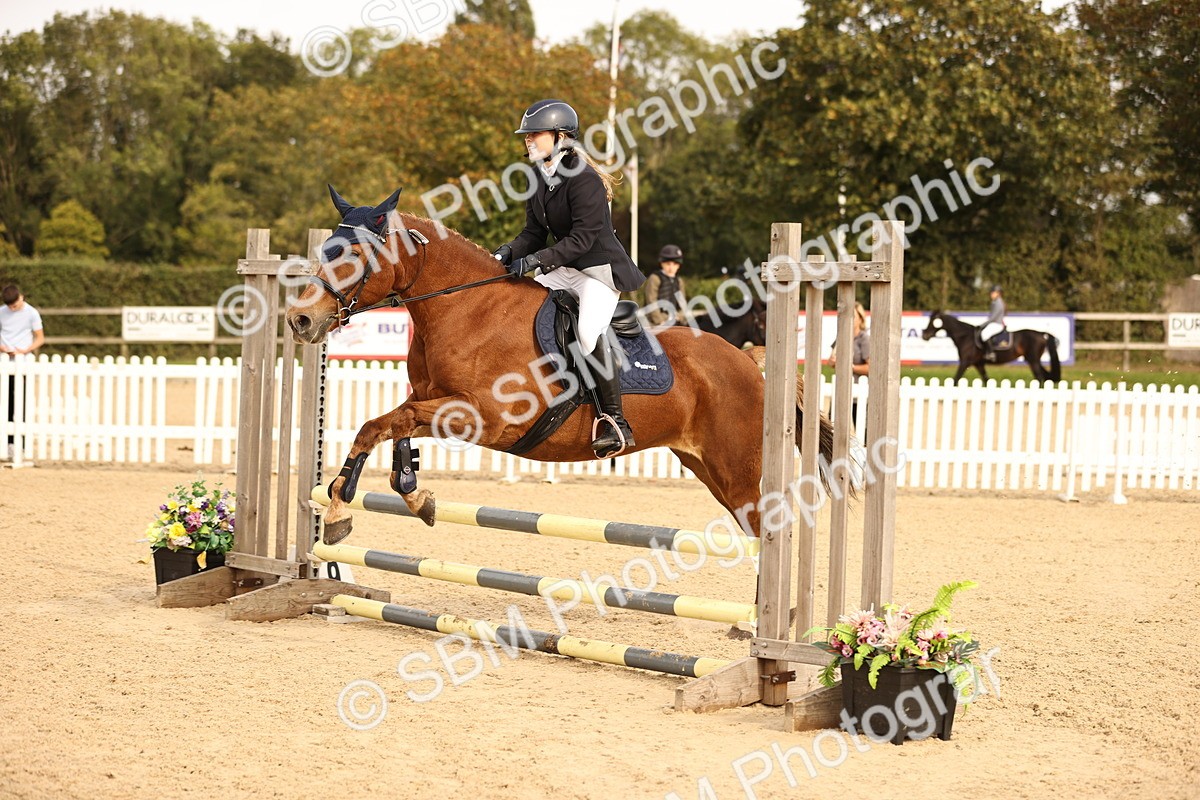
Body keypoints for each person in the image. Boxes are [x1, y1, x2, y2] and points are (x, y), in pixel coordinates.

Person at [492, 99, 646, 458]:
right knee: (518, 304)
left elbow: (583, 238)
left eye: (535, 134)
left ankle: (615, 421)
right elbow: (532, 232)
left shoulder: (584, 178)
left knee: (589, 333)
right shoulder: (537, 177)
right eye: (526, 135)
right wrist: (506, 253)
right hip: (565, 269)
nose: (528, 140)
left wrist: (536, 260)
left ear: (561, 137)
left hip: (598, 272)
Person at [0, 283, 44, 461]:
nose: (13, 308)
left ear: (21, 297)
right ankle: (7, 443)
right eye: (10, 306)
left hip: (22, 363)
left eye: (15, 305)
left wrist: (25, 350)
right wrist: (2, 348)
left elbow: (40, 338)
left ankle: (21, 444)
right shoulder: (2, 312)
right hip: (4, 363)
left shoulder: (31, 313)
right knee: (6, 404)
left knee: (21, 404)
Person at [643, 244, 687, 326]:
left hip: (674, 319)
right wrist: (659, 320)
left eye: (674, 264)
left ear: (679, 265)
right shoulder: (655, 278)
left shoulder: (679, 281)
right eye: (668, 264)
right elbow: (651, 301)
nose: (671, 268)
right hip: (655, 322)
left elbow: (682, 303)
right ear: (662, 263)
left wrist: (680, 316)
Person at [978, 284, 1006, 361]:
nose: (991, 294)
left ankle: (991, 353)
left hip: (997, 324)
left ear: (998, 293)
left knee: (984, 334)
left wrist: (982, 325)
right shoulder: (995, 302)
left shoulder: (998, 303)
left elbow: (993, 318)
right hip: (995, 323)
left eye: (992, 293)